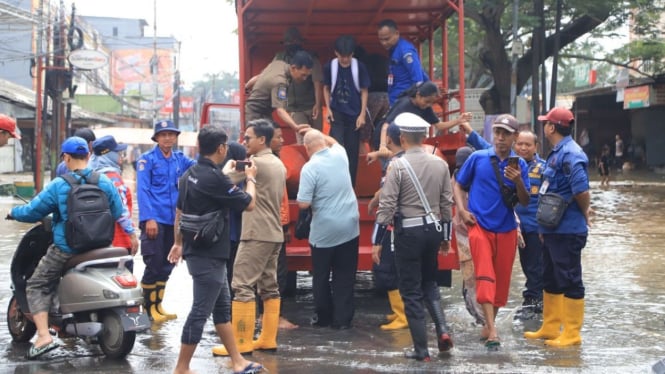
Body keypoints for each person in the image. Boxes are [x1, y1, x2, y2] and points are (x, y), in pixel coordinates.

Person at [8, 136, 127, 360]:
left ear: (66, 157)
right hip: (101, 245)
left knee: (37, 283)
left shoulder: (60, 184)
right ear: (88, 155)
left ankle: (43, 336)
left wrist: (14, 213)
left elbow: (33, 211)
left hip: (67, 249)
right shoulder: (104, 181)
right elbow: (118, 211)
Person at [167, 125, 263, 374]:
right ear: (221, 148)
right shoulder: (216, 178)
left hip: (199, 250)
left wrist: (178, 242)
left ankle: (238, 361)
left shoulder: (189, 174)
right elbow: (249, 204)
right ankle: (181, 367)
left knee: (222, 309)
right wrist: (250, 177)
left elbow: (180, 213)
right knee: (200, 311)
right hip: (208, 254)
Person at [373, 112, 454, 361]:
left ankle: (422, 350)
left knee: (410, 290)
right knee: (429, 282)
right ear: (424, 136)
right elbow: (446, 203)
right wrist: (446, 237)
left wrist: (377, 240)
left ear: (403, 137)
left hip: (408, 232)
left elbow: (386, 205)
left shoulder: (397, 165)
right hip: (433, 231)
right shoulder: (440, 164)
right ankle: (442, 329)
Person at [453, 114, 530, 348]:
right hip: (479, 227)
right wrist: (462, 210)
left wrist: (517, 181)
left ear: (515, 137)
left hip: (506, 229)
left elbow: (525, 201)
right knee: (485, 275)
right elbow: (458, 183)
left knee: (502, 281)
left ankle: (489, 323)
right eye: (497, 132)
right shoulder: (477, 158)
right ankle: (494, 331)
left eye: (506, 134)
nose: (500, 138)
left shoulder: (521, 165)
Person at [213, 119, 286, 356]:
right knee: (269, 286)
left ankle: (241, 341)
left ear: (262, 140)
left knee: (242, 285)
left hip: (256, 233)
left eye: (248, 138)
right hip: (274, 233)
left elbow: (221, 183)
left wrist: (228, 168)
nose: (244, 141)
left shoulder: (253, 164)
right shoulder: (277, 163)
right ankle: (267, 339)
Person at [524, 107, 590, 347]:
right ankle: (551, 326)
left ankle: (572, 332)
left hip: (568, 229)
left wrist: (585, 213)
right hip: (552, 229)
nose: (544, 126)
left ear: (552, 127)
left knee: (570, 278)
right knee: (549, 276)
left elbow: (581, 190)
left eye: (546, 123)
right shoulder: (556, 153)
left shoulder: (572, 153)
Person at [297, 129, 360, 330]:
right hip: (350, 227)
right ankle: (343, 320)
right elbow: (334, 142)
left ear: (307, 148)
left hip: (324, 232)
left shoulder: (309, 168)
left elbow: (303, 204)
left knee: (322, 276)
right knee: (345, 275)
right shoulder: (341, 154)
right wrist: (320, 134)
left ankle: (323, 317)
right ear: (323, 141)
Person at [137, 120, 196, 323]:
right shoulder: (147, 160)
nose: (168, 138)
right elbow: (143, 190)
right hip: (156, 219)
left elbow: (200, 167)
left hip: (174, 221)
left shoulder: (180, 160)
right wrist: (148, 219)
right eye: (163, 135)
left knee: (166, 265)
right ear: (156, 138)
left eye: (171, 134)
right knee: (153, 263)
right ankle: (147, 310)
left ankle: (158, 306)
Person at [368, 123, 408, 330]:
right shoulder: (407, 160)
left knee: (387, 270)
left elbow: (387, 196)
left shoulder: (395, 164)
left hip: (392, 225)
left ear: (390, 140)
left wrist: (375, 201)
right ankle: (399, 311)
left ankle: (402, 316)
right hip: (406, 224)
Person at [369, 82, 471, 163]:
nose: (428, 105)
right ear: (418, 95)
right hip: (385, 137)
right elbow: (386, 125)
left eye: (431, 102)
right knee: (388, 164)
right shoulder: (404, 104)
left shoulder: (426, 108)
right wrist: (382, 146)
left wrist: (458, 120)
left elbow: (439, 126)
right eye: (427, 101)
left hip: (402, 140)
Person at [323, 35, 371, 187]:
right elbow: (326, 88)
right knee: (336, 148)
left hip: (354, 114)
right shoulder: (330, 67)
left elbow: (364, 91)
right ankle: (335, 184)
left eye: (348, 56)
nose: (345, 60)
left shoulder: (359, 67)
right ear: (336, 53)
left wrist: (362, 114)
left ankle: (350, 186)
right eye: (342, 56)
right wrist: (328, 109)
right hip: (337, 113)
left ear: (352, 54)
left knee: (352, 151)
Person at [89, 135, 139, 271]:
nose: (121, 158)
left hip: (99, 243)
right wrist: (132, 235)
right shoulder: (113, 178)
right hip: (119, 242)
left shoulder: (91, 176)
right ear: (109, 155)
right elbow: (121, 211)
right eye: (118, 153)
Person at [267, 122, 298, 330]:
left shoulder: (272, 162)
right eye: (278, 137)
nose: (283, 140)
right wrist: (284, 225)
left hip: (274, 225)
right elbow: (277, 200)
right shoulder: (270, 164)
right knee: (276, 274)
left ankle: (270, 316)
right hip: (272, 227)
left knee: (273, 274)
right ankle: (273, 318)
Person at [513, 131, 546, 321]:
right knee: (526, 264)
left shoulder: (543, 169)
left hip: (534, 227)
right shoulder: (509, 165)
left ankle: (534, 303)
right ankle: (535, 299)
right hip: (515, 226)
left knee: (535, 265)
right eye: (519, 144)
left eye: (528, 145)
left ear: (536, 147)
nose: (523, 148)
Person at [245, 50, 314, 139]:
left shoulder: (278, 64)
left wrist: (246, 88)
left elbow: (258, 77)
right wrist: (296, 128)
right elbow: (280, 111)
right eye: (303, 75)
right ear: (293, 68)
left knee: (273, 138)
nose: (305, 79)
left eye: (307, 76)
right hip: (255, 113)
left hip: (263, 112)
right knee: (259, 142)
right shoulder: (280, 83)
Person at [376, 19, 428, 105]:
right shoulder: (393, 50)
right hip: (396, 100)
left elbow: (418, 78)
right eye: (381, 40)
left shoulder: (405, 51)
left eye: (387, 39)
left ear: (396, 33)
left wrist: (415, 102)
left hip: (406, 102)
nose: (384, 43)